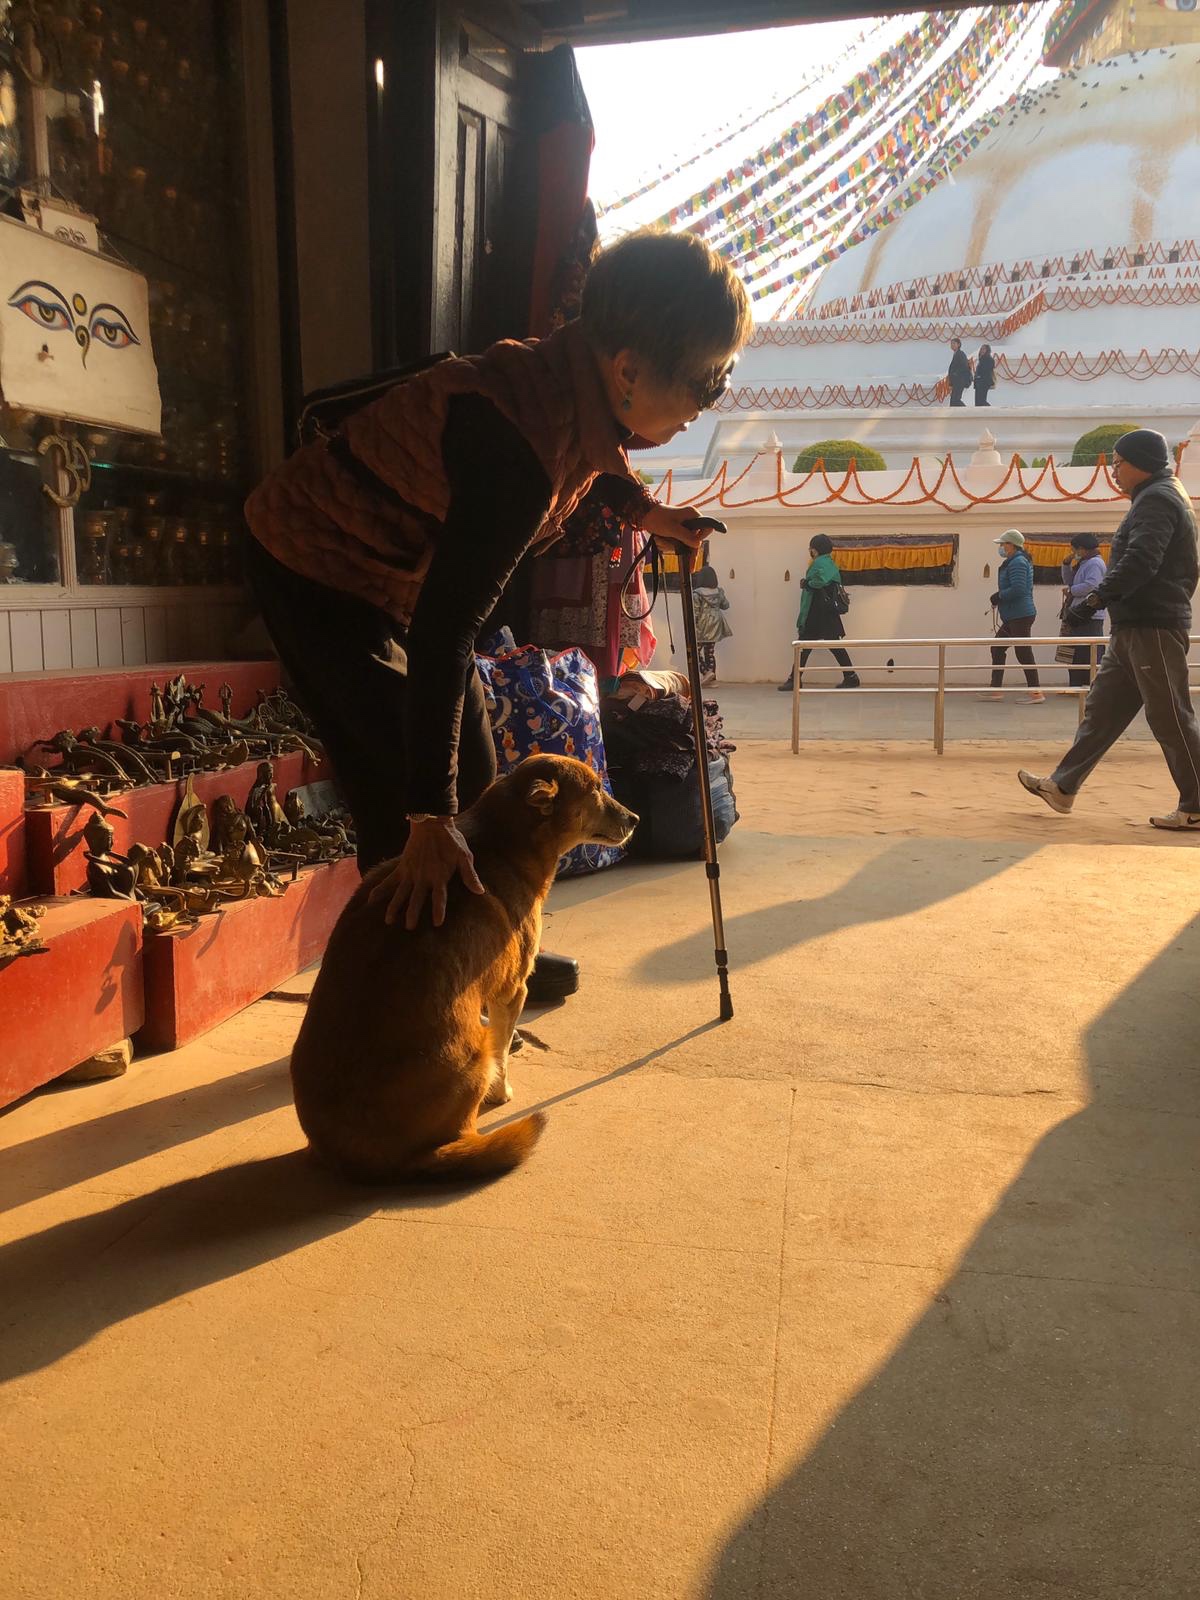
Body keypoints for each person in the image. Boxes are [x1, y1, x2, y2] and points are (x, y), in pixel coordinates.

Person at [244, 227, 753, 1004]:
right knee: (400, 794)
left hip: (395, 573)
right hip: (314, 566)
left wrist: (650, 515)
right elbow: (445, 634)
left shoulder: (569, 378)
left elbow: (596, 458)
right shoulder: (518, 450)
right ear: (628, 368)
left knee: (481, 774)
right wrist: (428, 817)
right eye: (706, 384)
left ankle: (491, 941)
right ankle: (414, 993)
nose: (704, 406)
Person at [1019, 428, 1200, 831]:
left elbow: (1141, 560)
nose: (1113, 471)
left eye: (1118, 463)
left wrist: (1095, 600)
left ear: (1141, 463)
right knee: (1102, 711)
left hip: (1152, 624)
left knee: (1170, 716)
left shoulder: (1158, 498)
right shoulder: (1157, 495)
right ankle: (1063, 786)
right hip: (1133, 625)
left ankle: (1197, 804)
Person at [778, 535, 860, 691]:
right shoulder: (829, 562)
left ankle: (794, 680)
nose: (810, 551)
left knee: (803, 645)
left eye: (811, 548)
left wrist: (807, 583)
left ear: (815, 550)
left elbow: (820, 581)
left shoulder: (819, 563)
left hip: (817, 611)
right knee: (832, 645)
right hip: (827, 611)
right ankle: (851, 676)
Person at [980, 529, 1045, 703]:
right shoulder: (1014, 561)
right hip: (1013, 615)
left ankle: (1036, 692)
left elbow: (1019, 589)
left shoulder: (1018, 562)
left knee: (1023, 652)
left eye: (1003, 544)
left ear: (1012, 545)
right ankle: (996, 690)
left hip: (1020, 614)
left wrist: (999, 596)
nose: (1001, 547)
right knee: (997, 648)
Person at [1059, 533, 1107, 688]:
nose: (1074, 553)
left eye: (1075, 550)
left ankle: (1088, 685)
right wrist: (1066, 564)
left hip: (1089, 615)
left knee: (1088, 653)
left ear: (1082, 549)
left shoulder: (1095, 564)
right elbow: (1070, 581)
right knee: (1076, 652)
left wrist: (1072, 591)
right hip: (1078, 614)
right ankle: (1076, 685)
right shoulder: (1084, 563)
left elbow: (1091, 585)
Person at [690, 559, 731, 686]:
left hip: (702, 625)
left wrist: (693, 626)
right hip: (716, 624)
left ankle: (706, 672)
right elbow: (726, 605)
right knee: (710, 652)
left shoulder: (697, 594)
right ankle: (712, 680)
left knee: (695, 652)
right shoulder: (719, 591)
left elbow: (695, 612)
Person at [947, 338, 972, 407]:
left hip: (960, 380)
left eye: (954, 343)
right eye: (951, 343)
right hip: (956, 381)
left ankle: (967, 411)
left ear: (958, 344)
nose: (952, 345)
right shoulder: (956, 354)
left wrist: (955, 374)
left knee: (956, 400)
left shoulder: (961, 354)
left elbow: (964, 366)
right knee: (953, 401)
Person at [973, 343, 996, 407]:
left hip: (984, 382)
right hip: (979, 382)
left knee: (981, 401)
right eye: (981, 349)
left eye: (984, 349)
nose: (982, 350)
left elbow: (987, 371)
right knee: (978, 401)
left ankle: (991, 409)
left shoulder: (989, 359)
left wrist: (979, 376)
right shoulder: (981, 359)